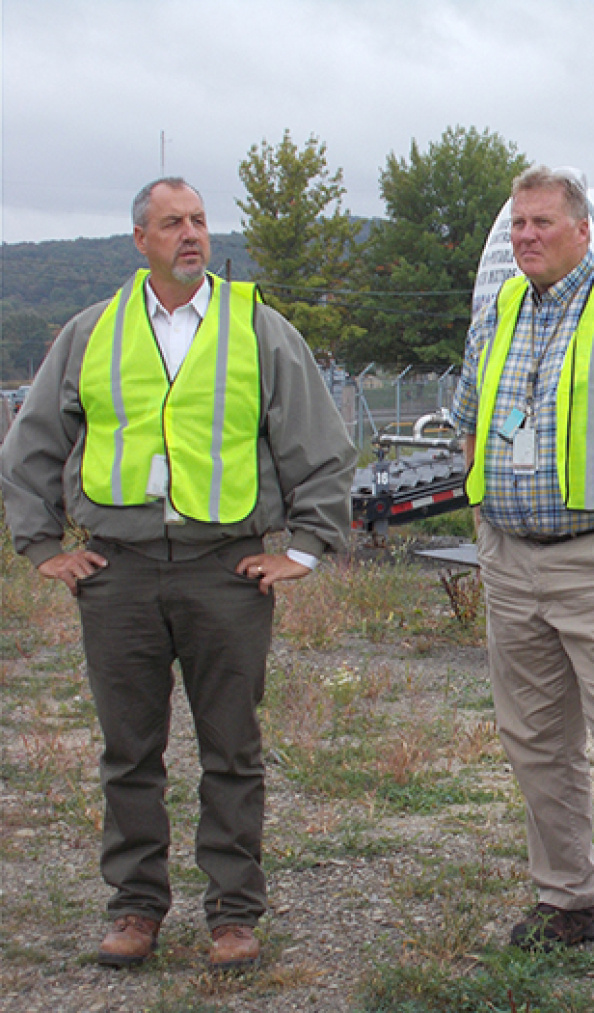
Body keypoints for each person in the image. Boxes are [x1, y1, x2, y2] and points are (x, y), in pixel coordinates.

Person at [0, 178, 356, 970]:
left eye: (198, 221)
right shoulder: (92, 333)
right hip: (117, 572)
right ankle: (134, 907)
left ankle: (233, 912)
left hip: (223, 570)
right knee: (129, 753)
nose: (190, 235)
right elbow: (29, 448)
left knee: (232, 748)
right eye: (172, 224)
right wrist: (41, 546)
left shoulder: (257, 329)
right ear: (141, 240)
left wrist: (301, 547)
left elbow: (321, 445)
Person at [448, 165, 594, 978]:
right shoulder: (499, 312)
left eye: (542, 224)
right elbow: (468, 420)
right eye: (518, 225)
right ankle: (567, 897)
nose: (526, 238)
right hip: (511, 561)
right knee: (534, 740)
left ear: (582, 230)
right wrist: (486, 518)